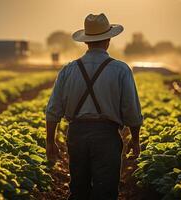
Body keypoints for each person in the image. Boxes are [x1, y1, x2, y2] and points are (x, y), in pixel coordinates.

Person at [45, 13, 143, 200]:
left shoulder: (68, 70)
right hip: (107, 136)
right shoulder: (121, 69)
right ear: (108, 40)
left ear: (86, 42)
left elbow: (53, 110)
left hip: (77, 134)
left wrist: (50, 140)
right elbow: (131, 111)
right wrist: (135, 139)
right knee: (105, 191)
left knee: (79, 189)